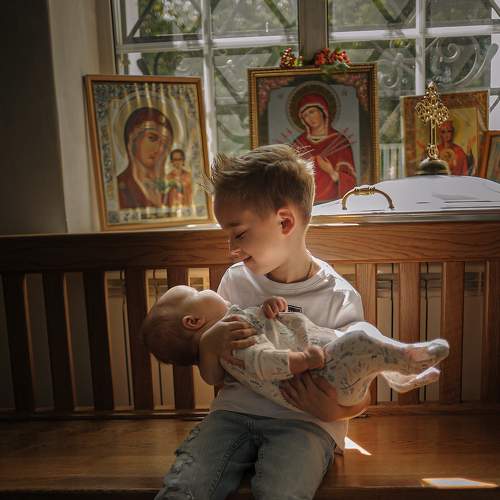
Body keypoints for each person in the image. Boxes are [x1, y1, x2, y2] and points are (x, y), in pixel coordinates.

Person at [144, 143, 386, 500]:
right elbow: (219, 375)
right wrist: (209, 344)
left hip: (306, 423)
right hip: (232, 416)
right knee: (187, 485)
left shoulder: (338, 296)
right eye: (228, 235)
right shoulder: (235, 282)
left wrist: (336, 410)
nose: (231, 248)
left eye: (239, 233)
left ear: (285, 222)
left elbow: (361, 383)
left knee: (281, 491)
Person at [143, 285, 449, 409]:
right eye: (198, 291)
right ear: (194, 321)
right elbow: (262, 361)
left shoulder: (234, 322)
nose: (206, 288)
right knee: (359, 341)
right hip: (321, 377)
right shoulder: (230, 344)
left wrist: (272, 308)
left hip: (331, 371)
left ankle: (401, 376)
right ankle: (409, 361)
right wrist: (301, 360)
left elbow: (274, 328)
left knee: (362, 331)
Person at [292, 92, 356, 203]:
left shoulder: (339, 141)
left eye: (312, 112)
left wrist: (331, 172)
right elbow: (290, 176)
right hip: (305, 203)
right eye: (305, 115)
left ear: (323, 111)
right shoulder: (299, 143)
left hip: (334, 204)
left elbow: (351, 181)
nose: (309, 118)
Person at [117, 107, 173, 209]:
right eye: (152, 138)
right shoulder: (119, 187)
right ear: (133, 139)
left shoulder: (169, 188)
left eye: (165, 144)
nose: (159, 149)